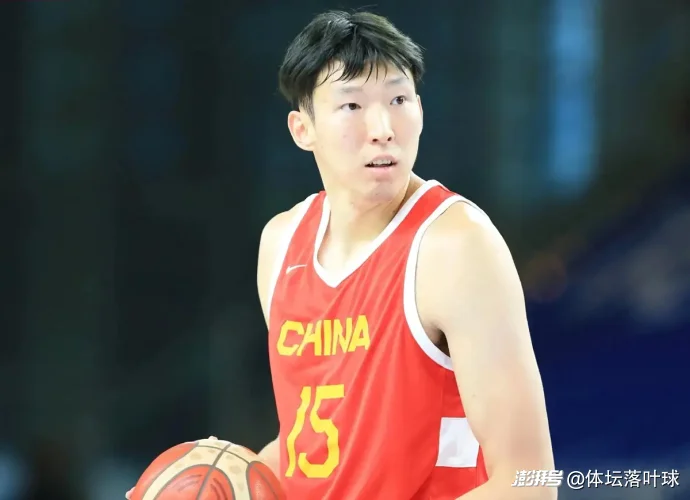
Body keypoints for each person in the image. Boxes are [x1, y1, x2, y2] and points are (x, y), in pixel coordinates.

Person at [127, 9, 556, 500]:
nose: (383, 128)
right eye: (352, 105)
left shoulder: (456, 246)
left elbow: (530, 482)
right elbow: (316, 446)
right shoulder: (282, 244)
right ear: (302, 129)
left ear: (420, 110)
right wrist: (225, 476)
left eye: (398, 99)